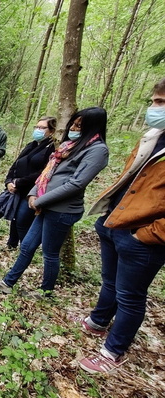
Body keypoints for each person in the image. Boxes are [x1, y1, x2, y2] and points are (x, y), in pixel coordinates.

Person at [77, 79, 165, 374]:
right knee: (110, 281)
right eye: (154, 101)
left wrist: (145, 235)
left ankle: (112, 350)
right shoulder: (152, 138)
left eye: (161, 103)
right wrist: (106, 221)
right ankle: (99, 320)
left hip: (143, 237)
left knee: (130, 296)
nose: (153, 108)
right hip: (115, 222)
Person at [0, 107, 110, 298]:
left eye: (79, 125)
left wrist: (40, 200)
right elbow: (47, 173)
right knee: (27, 246)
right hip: (44, 205)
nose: (74, 128)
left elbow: (76, 183)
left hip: (62, 210)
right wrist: (32, 194)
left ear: (92, 127)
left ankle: (45, 291)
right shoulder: (68, 147)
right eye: (73, 123)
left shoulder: (97, 151)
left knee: (50, 253)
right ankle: (7, 282)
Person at [3, 117, 57, 249]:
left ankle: (26, 248)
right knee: (15, 218)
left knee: (22, 219)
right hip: (18, 189)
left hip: (33, 191)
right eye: (36, 127)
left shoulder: (52, 148)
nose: (38, 130)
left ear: (52, 130)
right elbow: (16, 164)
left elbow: (43, 172)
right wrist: (9, 181)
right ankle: (12, 244)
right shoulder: (31, 145)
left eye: (42, 128)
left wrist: (19, 182)